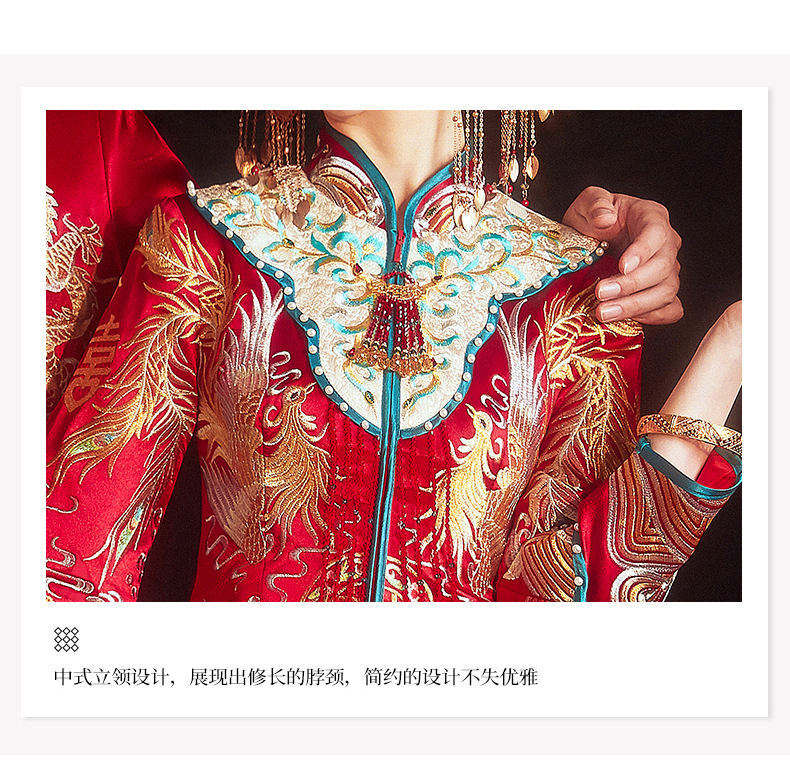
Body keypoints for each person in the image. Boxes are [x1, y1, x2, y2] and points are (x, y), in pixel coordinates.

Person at [45, 110, 741, 602]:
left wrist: (733, 347)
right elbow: (69, 562)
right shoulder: (204, 242)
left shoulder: (569, 293)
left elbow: (574, 611)